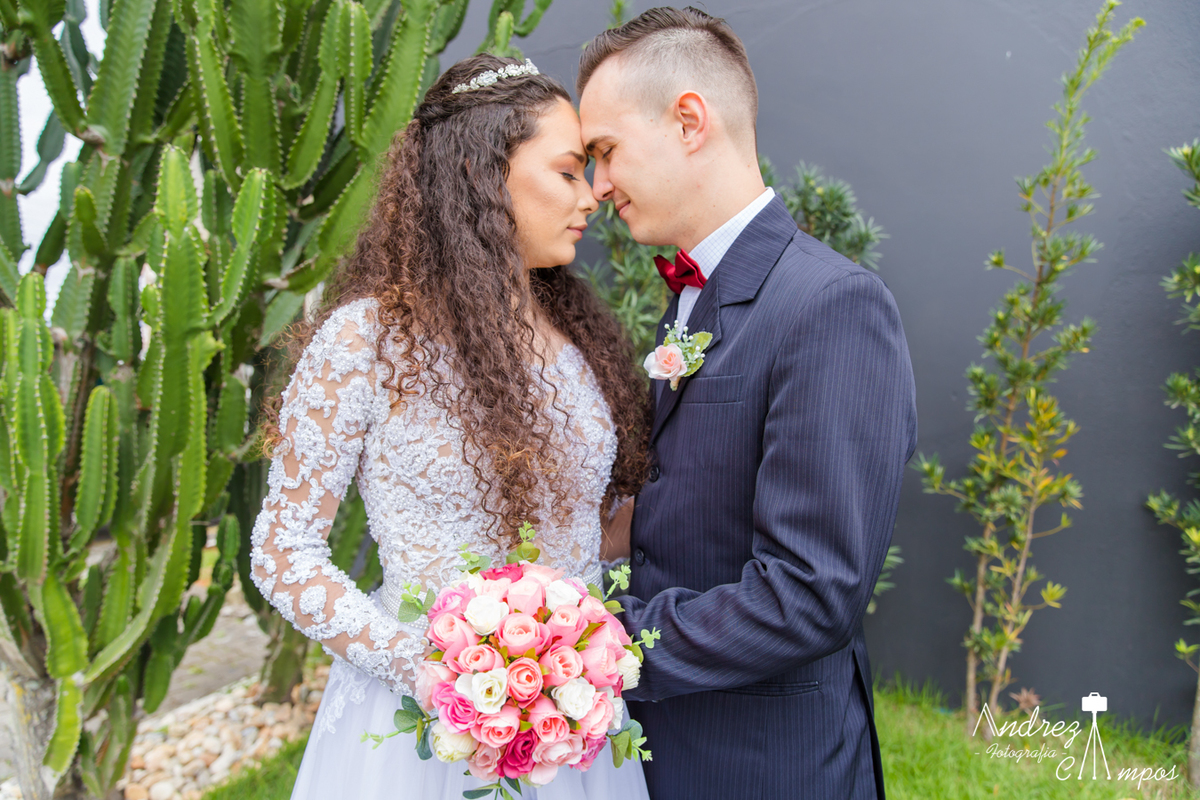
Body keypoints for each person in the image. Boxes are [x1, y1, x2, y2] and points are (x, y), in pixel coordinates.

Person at [251, 54, 652, 799]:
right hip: (422, 725)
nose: (591, 196)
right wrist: (427, 667)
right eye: (567, 172)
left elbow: (580, 527)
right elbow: (283, 550)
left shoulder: (578, 337)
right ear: (482, 173)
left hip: (571, 715)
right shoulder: (367, 340)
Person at [577, 7, 918, 800]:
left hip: (764, 763)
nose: (599, 186)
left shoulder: (832, 305)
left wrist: (601, 654)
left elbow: (811, 591)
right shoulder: (695, 297)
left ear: (689, 120)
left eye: (606, 151)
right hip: (671, 746)